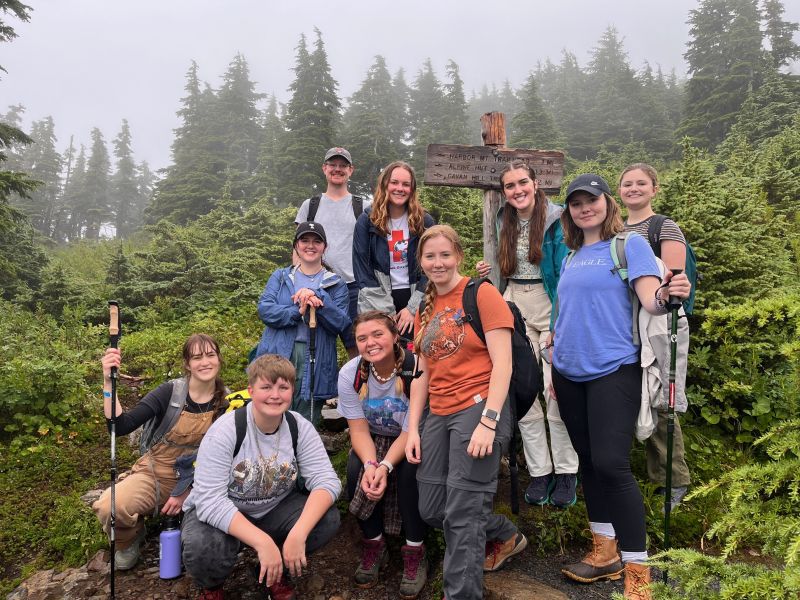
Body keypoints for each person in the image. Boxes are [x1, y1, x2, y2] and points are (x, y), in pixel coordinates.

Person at [553, 174, 691, 599]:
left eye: (590, 200)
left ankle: (638, 576)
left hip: (614, 369)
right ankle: (603, 552)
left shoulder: (628, 244)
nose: (583, 209)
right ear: (570, 212)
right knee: (589, 462)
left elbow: (651, 298)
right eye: (575, 204)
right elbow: (569, 309)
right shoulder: (571, 255)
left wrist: (670, 293)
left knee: (612, 464)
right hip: (567, 371)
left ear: (606, 203)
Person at [405, 224, 527, 600]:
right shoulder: (425, 307)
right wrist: (412, 429)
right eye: (430, 256)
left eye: (445, 255)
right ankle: (504, 533)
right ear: (421, 262)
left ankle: (460, 594)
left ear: (458, 255)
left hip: (478, 409)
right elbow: (422, 374)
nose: (438, 263)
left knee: (461, 514)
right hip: (436, 415)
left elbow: (503, 365)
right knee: (432, 508)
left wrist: (488, 423)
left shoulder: (482, 294)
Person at [182, 353, 341, 600]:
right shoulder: (225, 431)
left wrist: (298, 534)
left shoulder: (299, 427)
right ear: (251, 391)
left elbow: (326, 480)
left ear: (292, 391)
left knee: (327, 519)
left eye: (283, 387)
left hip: (275, 508)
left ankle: (273, 569)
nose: (275, 395)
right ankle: (212, 585)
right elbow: (208, 500)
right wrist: (262, 542)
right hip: (229, 509)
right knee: (201, 546)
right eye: (266, 387)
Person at [476, 159, 578, 508]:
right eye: (510, 186)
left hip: (550, 303)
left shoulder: (557, 218)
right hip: (513, 301)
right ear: (504, 192)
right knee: (522, 389)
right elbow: (508, 264)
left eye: (523, 183)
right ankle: (539, 472)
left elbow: (566, 272)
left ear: (535, 184)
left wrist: (558, 324)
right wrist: (489, 269)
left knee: (555, 389)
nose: (517, 190)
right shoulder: (503, 218)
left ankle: (566, 472)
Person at [93, 334, 227, 571]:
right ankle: (130, 537)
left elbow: (228, 459)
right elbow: (120, 426)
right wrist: (107, 383)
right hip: (155, 473)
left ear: (219, 359)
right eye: (197, 357)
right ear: (187, 364)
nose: (204, 362)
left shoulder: (229, 401)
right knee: (109, 506)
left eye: (210, 355)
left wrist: (188, 492)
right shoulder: (170, 393)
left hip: (203, 481)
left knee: (199, 546)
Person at [338, 311, 428, 598]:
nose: (370, 343)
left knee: (410, 471)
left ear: (394, 336)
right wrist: (370, 464)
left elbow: (409, 430)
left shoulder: (415, 368)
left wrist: (386, 466)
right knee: (356, 471)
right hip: (373, 436)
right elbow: (359, 430)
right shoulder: (350, 374)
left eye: (378, 334)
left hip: (410, 434)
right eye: (362, 338)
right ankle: (374, 544)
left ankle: (416, 549)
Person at [619, 163, 691, 510]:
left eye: (640, 183)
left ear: (654, 188)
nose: (633, 188)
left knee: (664, 395)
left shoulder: (664, 226)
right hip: (626, 320)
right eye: (627, 184)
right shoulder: (613, 228)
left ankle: (672, 479)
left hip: (661, 321)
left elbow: (673, 282)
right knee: (636, 391)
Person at [255, 221, 351, 426]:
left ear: (325, 247)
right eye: (304, 240)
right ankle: (270, 457)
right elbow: (265, 310)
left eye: (317, 241)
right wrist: (297, 311)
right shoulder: (280, 277)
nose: (310, 245)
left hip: (316, 354)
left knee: (306, 415)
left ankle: (301, 456)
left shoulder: (336, 283)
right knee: (272, 404)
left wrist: (319, 299)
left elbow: (341, 323)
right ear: (296, 246)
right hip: (279, 351)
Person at [295, 147, 369, 359]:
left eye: (343, 165)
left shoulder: (363, 206)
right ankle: (319, 389)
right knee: (315, 342)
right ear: (324, 168)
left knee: (357, 344)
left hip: (354, 285)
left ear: (351, 170)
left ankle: (360, 388)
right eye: (333, 165)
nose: (337, 169)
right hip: (316, 286)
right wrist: (299, 281)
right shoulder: (310, 205)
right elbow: (298, 247)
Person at [353, 161, 435, 344]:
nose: (400, 188)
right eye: (394, 183)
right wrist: (388, 315)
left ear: (412, 189)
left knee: (417, 359)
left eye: (406, 184)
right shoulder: (367, 221)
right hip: (377, 299)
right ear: (385, 185)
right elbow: (362, 272)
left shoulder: (425, 222)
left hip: (416, 298)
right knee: (382, 355)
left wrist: (412, 308)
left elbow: (432, 270)